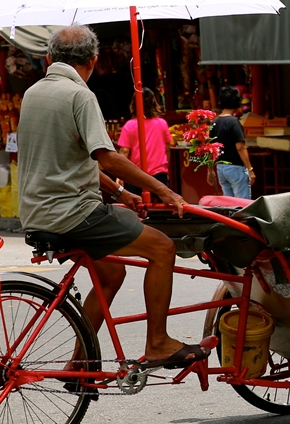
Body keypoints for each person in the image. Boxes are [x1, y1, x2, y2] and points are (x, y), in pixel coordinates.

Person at [18, 25, 209, 375]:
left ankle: (80, 363)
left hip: (36, 211)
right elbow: (107, 156)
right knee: (163, 248)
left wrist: (121, 193)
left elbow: (78, 160)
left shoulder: (33, 93)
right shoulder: (80, 95)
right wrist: (165, 190)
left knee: (111, 273)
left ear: (49, 59)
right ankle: (158, 343)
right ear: (94, 60)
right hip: (72, 212)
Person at [117, 87, 172, 200]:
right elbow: (167, 149)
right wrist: (167, 169)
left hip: (136, 175)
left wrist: (119, 175)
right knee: (163, 207)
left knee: (139, 207)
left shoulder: (129, 126)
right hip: (159, 173)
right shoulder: (162, 124)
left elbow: (124, 151)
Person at [209, 86, 255, 199]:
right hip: (235, 168)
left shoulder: (215, 122)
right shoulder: (234, 122)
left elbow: (211, 148)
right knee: (242, 206)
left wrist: (210, 170)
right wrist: (250, 169)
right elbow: (240, 148)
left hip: (221, 168)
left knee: (229, 205)